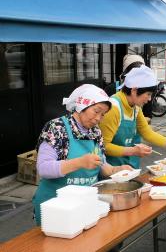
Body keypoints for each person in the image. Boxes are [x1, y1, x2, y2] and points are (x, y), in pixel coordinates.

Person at [32, 84, 132, 226]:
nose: (99, 118)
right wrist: (80, 162)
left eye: (103, 114)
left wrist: (116, 170)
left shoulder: (95, 132)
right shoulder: (57, 128)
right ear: (80, 106)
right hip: (56, 206)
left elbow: (101, 163)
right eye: (96, 111)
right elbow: (43, 168)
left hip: (85, 203)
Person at [99, 65, 166, 169]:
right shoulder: (114, 108)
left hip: (127, 166)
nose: (149, 99)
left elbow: (146, 132)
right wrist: (132, 151)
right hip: (110, 168)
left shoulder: (135, 107)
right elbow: (104, 146)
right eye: (148, 94)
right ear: (134, 90)